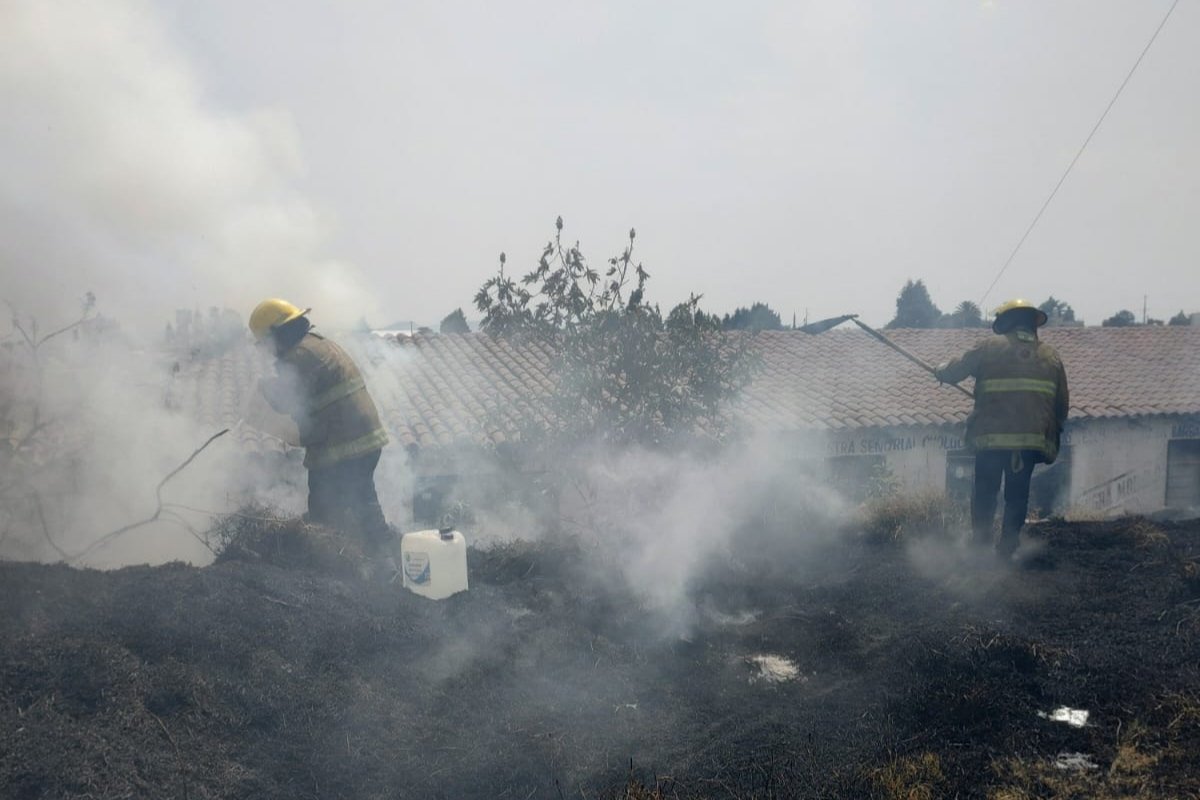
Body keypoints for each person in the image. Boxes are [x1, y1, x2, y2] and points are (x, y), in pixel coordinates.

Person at [248, 298, 392, 553]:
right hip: (361, 441)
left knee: (327, 513)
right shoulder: (319, 344)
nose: (267, 350)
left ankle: (333, 570)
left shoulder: (298, 357)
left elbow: (285, 401)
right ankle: (378, 563)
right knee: (362, 503)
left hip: (343, 447)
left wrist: (259, 391)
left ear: (276, 334)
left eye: (265, 344)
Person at [934, 299, 1069, 558]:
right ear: (1032, 324)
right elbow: (1061, 404)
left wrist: (939, 371)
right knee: (1017, 495)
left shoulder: (989, 348)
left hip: (991, 440)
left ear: (1005, 322)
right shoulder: (1051, 356)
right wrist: (1053, 432)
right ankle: (1007, 547)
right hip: (1030, 443)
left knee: (985, 491)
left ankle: (981, 546)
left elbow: (954, 371)